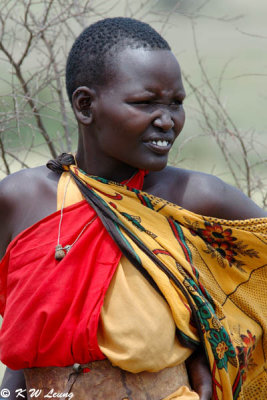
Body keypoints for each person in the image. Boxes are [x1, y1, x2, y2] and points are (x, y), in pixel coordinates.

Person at [0, 17, 266, 400]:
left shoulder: (196, 199)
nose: (167, 120)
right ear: (85, 105)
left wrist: (212, 350)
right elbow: (29, 332)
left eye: (176, 104)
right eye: (145, 103)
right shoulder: (21, 201)